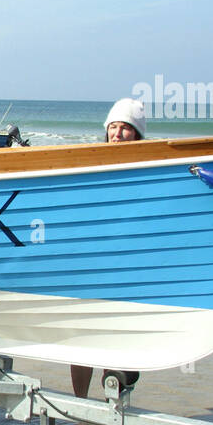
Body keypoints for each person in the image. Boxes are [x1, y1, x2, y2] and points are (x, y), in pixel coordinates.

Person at [71, 97, 148, 399]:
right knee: (82, 339)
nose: (117, 133)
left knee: (118, 340)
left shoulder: (152, 168)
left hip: (128, 267)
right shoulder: (91, 163)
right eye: (113, 127)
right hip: (91, 264)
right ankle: (80, 406)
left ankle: (111, 402)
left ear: (138, 134)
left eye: (126, 128)